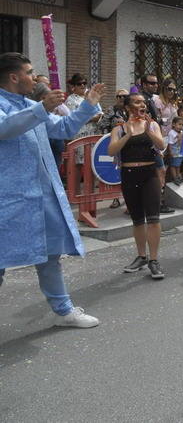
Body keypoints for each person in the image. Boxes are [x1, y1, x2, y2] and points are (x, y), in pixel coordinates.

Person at [0, 52, 103, 328]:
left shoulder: (30, 104)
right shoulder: (11, 106)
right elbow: (5, 128)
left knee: (49, 255)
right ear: (14, 77)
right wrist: (41, 108)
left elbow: (65, 127)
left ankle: (64, 311)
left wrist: (88, 105)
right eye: (30, 72)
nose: (35, 78)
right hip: (6, 200)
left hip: (39, 197)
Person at [108, 93, 167, 279]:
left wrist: (148, 129)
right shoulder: (119, 128)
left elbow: (162, 145)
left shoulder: (153, 125)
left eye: (143, 102)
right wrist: (129, 135)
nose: (141, 104)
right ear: (127, 107)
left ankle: (154, 260)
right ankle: (142, 256)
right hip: (128, 175)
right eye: (136, 102)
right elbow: (111, 150)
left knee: (153, 218)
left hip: (149, 175)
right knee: (137, 220)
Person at [139, 74, 174, 214]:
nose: (155, 85)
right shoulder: (143, 99)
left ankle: (153, 203)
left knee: (156, 172)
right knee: (160, 171)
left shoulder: (150, 98)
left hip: (154, 139)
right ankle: (158, 204)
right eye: (151, 83)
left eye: (156, 83)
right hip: (149, 142)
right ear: (143, 84)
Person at [64, 72, 101, 192]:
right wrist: (90, 117)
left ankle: (89, 192)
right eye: (79, 84)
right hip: (79, 135)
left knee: (91, 163)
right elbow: (72, 117)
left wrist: (91, 116)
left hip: (92, 133)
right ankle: (75, 192)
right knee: (78, 164)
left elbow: (100, 113)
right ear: (73, 86)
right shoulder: (71, 100)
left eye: (84, 83)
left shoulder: (91, 97)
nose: (83, 86)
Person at [167, 117, 183, 184]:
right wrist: (170, 152)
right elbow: (170, 144)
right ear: (173, 124)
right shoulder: (171, 133)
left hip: (180, 151)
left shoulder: (181, 132)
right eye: (179, 124)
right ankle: (174, 178)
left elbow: (182, 142)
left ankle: (178, 176)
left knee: (178, 165)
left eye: (182, 125)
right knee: (173, 165)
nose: (181, 126)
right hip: (174, 151)